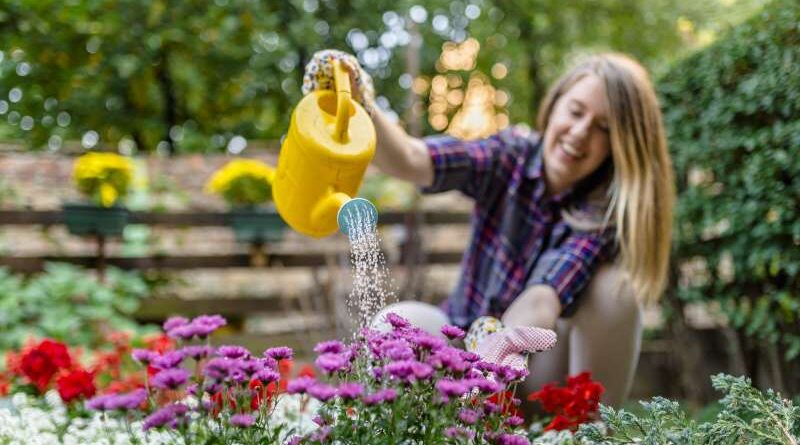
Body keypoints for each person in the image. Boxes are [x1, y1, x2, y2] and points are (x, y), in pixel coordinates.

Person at [302, 50, 675, 409]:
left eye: (603, 128)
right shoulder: (508, 156)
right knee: (395, 325)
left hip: (537, 369)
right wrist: (357, 101)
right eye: (576, 111)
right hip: (462, 337)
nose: (579, 133)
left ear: (619, 145)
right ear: (555, 103)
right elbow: (411, 160)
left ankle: (588, 434)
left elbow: (541, 300)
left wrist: (487, 374)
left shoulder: (605, 211)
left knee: (616, 292)